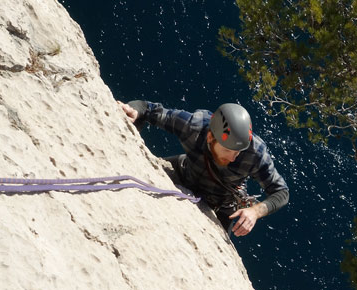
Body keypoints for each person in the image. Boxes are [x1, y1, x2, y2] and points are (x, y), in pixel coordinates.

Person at [120, 99, 289, 236]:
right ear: (210, 137)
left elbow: (281, 192)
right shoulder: (194, 126)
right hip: (185, 172)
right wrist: (134, 111)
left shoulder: (255, 153)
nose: (233, 158)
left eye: (238, 152)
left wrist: (255, 212)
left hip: (222, 203)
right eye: (227, 150)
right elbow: (148, 109)